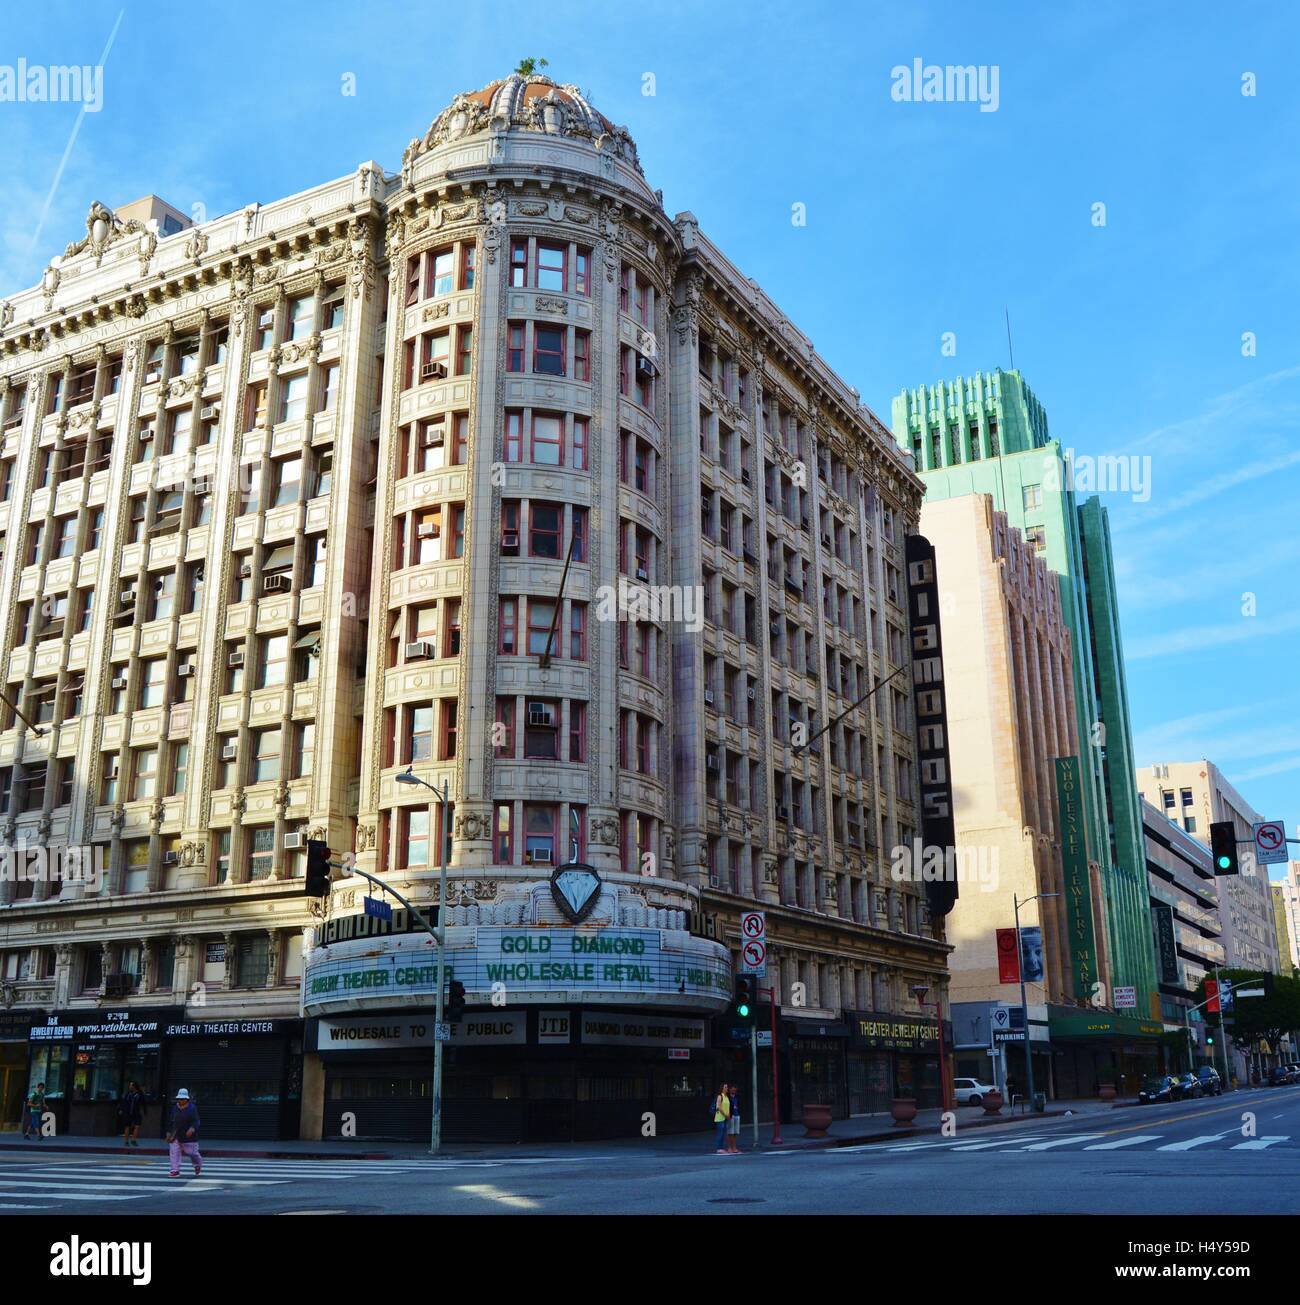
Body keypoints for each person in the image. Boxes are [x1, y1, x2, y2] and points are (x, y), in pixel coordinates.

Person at [165, 1088, 202, 1178]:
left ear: (187, 1099)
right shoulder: (174, 1108)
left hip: (189, 1136)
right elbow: (170, 1121)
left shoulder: (192, 1108)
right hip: (176, 1134)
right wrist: (168, 1132)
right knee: (174, 1152)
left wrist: (192, 1129)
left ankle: (197, 1164)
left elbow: (196, 1121)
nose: (180, 1101)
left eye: (182, 1099)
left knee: (192, 1153)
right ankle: (175, 1170)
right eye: (179, 1099)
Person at [120, 1080, 145, 1148]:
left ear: (134, 1086)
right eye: (130, 1085)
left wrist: (144, 1111)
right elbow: (124, 1102)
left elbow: (143, 1102)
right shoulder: (128, 1094)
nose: (130, 1086)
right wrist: (122, 1109)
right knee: (127, 1126)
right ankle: (126, 1141)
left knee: (137, 1126)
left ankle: (133, 1140)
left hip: (136, 1112)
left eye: (131, 1085)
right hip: (128, 1112)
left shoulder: (139, 1094)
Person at [712, 1082, 731, 1153]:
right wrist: (725, 1114)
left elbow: (727, 1107)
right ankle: (719, 1148)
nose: (727, 1088)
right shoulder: (720, 1096)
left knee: (723, 1133)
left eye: (727, 1087)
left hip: (725, 1117)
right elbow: (719, 1107)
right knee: (720, 1132)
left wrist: (728, 1115)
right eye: (725, 1087)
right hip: (720, 1117)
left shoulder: (726, 1097)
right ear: (722, 1088)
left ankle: (722, 1147)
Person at [726, 1084, 742, 1153]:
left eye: (735, 1090)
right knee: (730, 1132)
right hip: (730, 1115)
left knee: (735, 1132)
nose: (734, 1091)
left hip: (737, 1115)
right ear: (730, 1090)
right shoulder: (727, 1097)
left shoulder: (737, 1097)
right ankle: (730, 1147)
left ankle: (734, 1147)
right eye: (732, 1089)